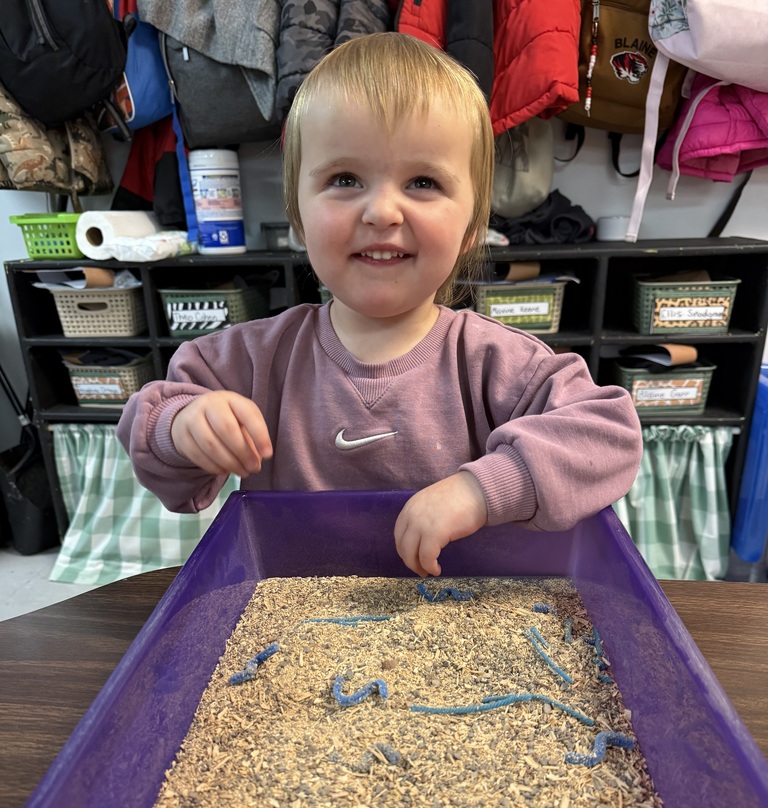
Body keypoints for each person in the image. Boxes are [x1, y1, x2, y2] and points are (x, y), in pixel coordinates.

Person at [117, 32, 642, 578]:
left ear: (471, 226)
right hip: (296, 622)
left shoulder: (498, 361)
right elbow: (152, 427)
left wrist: (484, 489)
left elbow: (610, 435)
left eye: (423, 181)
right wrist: (182, 427)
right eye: (345, 179)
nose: (382, 211)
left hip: (457, 620)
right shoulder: (247, 361)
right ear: (297, 211)